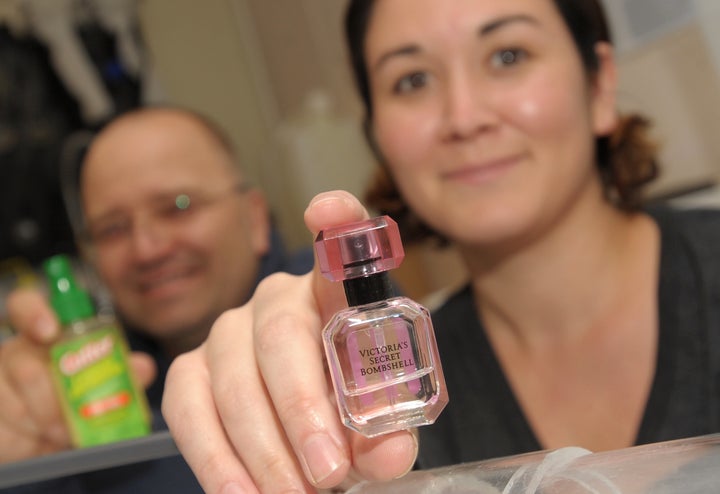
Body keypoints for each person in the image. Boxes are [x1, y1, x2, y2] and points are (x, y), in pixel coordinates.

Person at [161, 0, 720, 492]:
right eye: (412, 80)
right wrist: (317, 440)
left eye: (507, 56)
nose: (464, 117)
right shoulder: (389, 387)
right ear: (378, 137)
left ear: (599, 85)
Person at [0, 106, 313, 492]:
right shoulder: (90, 387)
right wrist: (31, 471)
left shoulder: (330, 303)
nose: (147, 249)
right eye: (112, 229)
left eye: (178, 206)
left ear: (254, 218)